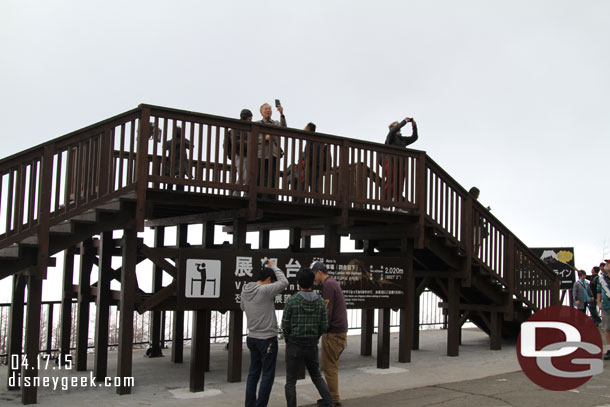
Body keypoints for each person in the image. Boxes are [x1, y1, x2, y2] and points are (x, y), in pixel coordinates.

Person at [282, 268, 333, 407]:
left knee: (291, 381)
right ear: (313, 282)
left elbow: (285, 324)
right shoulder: (321, 301)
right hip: (311, 344)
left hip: (294, 343)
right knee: (316, 376)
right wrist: (315, 337)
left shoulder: (292, 300)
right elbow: (324, 324)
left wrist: (288, 339)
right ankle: (328, 402)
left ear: (298, 282)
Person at [240, 259, 289, 407]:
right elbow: (284, 282)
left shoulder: (245, 290)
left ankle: (249, 404)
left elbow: (243, 307)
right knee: (267, 374)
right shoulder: (264, 290)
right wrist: (273, 266)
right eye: (271, 282)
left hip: (251, 337)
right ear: (268, 279)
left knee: (253, 373)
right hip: (267, 338)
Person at [312, 261, 347, 407]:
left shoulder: (328, 286)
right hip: (339, 331)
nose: (314, 278)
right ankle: (330, 397)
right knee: (330, 366)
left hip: (333, 333)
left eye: (314, 274)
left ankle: (333, 400)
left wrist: (321, 330)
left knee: (329, 368)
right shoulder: (333, 283)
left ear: (319, 272)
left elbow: (327, 312)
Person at [382, 117, 418, 209]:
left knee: (399, 186)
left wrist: (414, 125)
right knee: (390, 183)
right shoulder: (391, 136)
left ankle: (398, 207)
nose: (398, 128)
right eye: (396, 126)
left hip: (401, 164)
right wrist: (404, 121)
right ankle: (385, 206)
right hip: (390, 162)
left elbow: (414, 137)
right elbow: (393, 131)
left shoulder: (402, 139)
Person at [257, 102, 286, 199]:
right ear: (261, 112)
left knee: (273, 175)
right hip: (261, 154)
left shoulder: (275, 123)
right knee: (262, 176)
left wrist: (281, 113)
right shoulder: (257, 124)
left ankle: (272, 196)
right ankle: (263, 196)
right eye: (266, 109)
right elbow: (253, 138)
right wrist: (264, 138)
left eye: (269, 109)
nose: (268, 110)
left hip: (274, 154)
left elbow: (284, 128)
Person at [228, 109, 253, 196]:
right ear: (247, 117)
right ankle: (239, 194)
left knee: (245, 176)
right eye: (250, 117)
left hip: (247, 155)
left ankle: (240, 194)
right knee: (244, 176)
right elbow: (236, 142)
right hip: (239, 154)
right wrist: (250, 143)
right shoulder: (237, 127)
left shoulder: (248, 127)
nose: (251, 119)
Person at [597, 260, 610, 360]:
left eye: (609, 263)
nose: (607, 265)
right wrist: (599, 302)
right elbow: (599, 291)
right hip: (605, 306)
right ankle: (609, 350)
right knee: (607, 329)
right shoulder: (601, 279)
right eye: (606, 263)